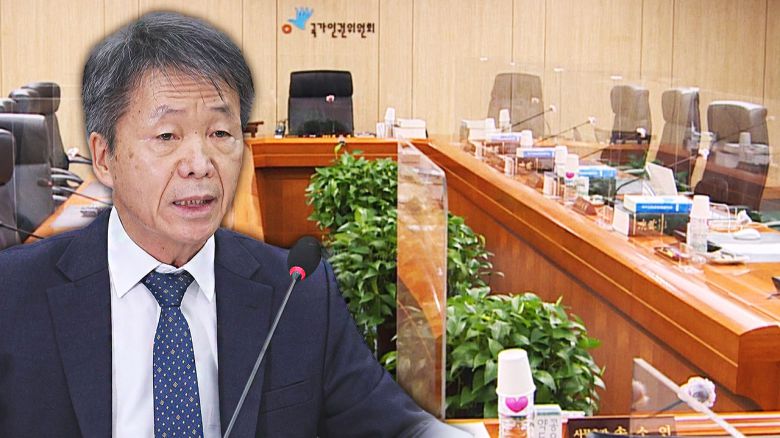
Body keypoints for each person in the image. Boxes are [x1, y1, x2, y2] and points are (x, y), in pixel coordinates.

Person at [0, 11, 469, 438]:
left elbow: (400, 428)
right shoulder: (13, 295)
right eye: (167, 136)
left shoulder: (298, 294)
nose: (200, 163)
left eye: (221, 133)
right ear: (104, 158)